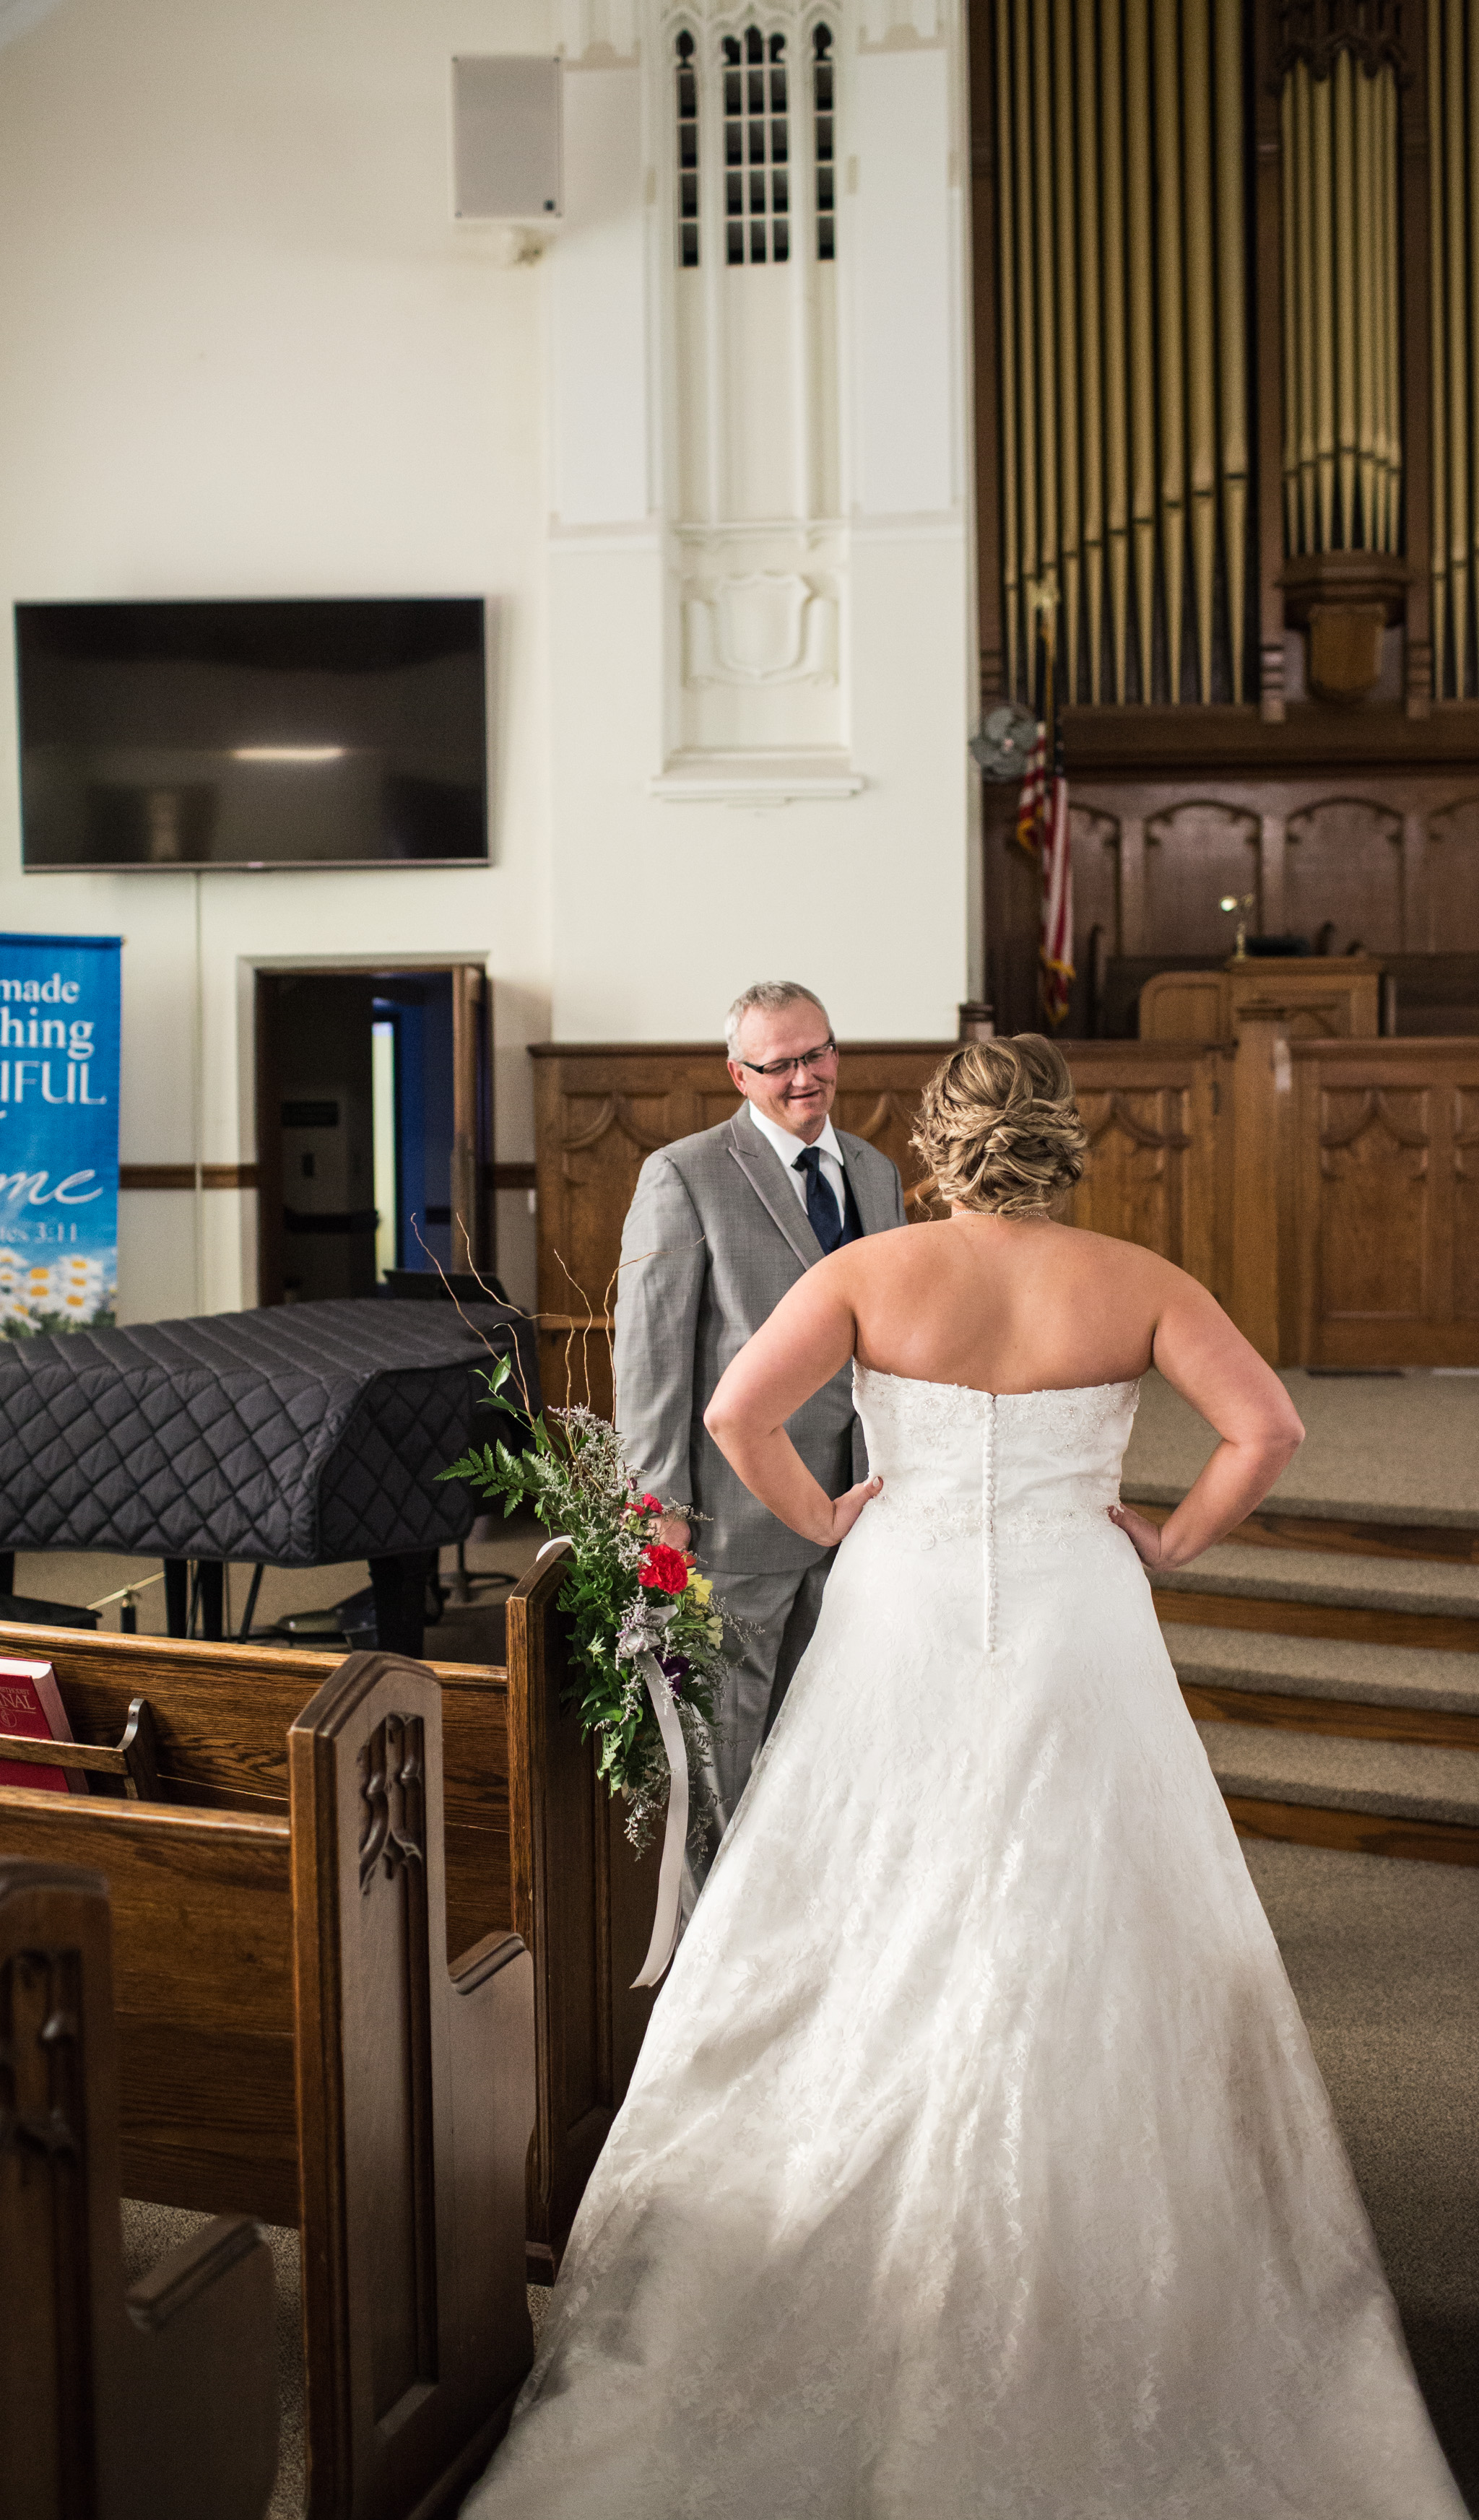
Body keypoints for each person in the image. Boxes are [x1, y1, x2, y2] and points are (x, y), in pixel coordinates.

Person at [464, 1033, 1464, 2520]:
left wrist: (825, 1512)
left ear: (929, 1147)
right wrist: (1176, 1537)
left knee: (867, 1881)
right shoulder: (1139, 1281)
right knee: (1087, 1890)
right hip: (1077, 1609)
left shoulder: (871, 1270)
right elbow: (1272, 1427)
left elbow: (736, 1411)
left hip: (901, 1599)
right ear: (1064, 1146)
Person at [612, 980, 906, 1822]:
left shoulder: (874, 1172)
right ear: (738, 1075)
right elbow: (649, 1360)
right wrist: (658, 1507)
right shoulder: (684, 1174)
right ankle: (709, 1942)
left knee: (822, 1737)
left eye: (815, 1054)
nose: (802, 1077)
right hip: (733, 1518)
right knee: (724, 1752)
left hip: (856, 1508)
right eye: (777, 1064)